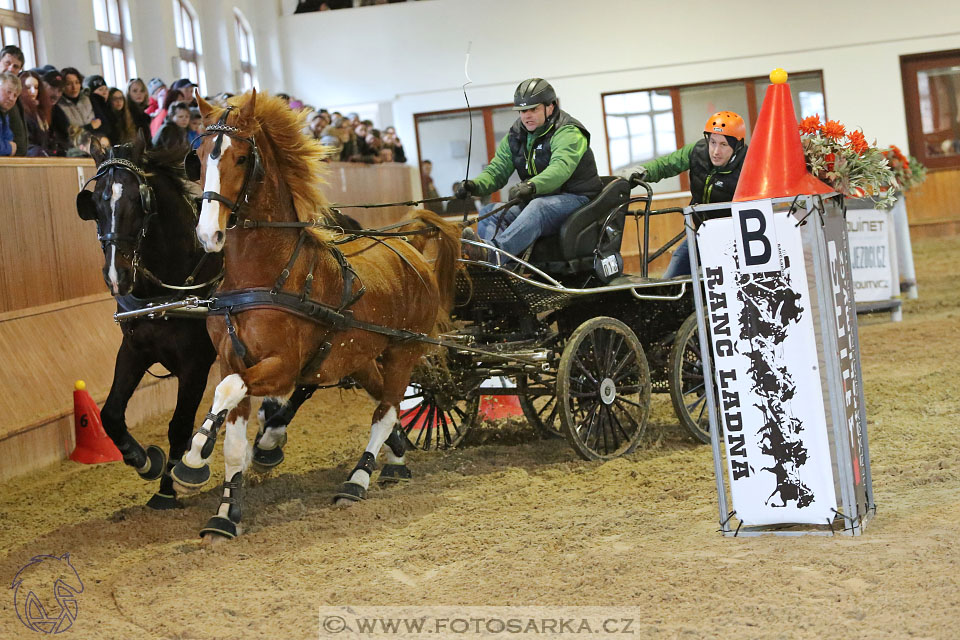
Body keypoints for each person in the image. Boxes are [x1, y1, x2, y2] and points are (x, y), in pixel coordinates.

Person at [455, 78, 601, 261]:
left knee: (538, 207)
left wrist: (532, 185)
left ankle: (493, 255)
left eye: (534, 109)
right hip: (541, 197)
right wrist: (474, 186)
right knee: (490, 212)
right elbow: (497, 169)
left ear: (550, 107)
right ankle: (490, 264)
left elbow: (560, 168)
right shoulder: (516, 135)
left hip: (578, 199)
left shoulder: (568, 131)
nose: (527, 115)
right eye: (523, 110)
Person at [629, 111, 748, 277]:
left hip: (735, 239)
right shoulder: (697, 151)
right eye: (712, 142)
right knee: (671, 278)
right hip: (702, 233)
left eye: (723, 145)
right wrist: (643, 172)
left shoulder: (750, 164)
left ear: (737, 146)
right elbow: (668, 164)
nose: (715, 151)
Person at [0, 45, 27, 156]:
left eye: (16, 67)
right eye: (7, 63)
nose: (11, 69)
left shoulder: (17, 94)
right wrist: (9, 148)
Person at [0, 72, 21, 156]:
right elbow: (11, 147)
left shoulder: (4, 114)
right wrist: (9, 148)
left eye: (15, 95)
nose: (11, 98)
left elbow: (9, 138)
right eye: (8, 92)